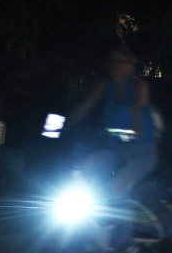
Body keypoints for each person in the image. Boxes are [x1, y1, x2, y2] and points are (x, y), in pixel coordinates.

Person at [68, 48, 160, 198]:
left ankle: (123, 219)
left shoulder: (139, 86)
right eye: (111, 63)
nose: (114, 66)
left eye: (119, 62)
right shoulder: (106, 86)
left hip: (142, 149)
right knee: (84, 170)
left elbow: (136, 119)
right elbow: (87, 105)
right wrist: (67, 123)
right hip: (115, 148)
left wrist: (119, 133)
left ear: (130, 65)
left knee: (118, 184)